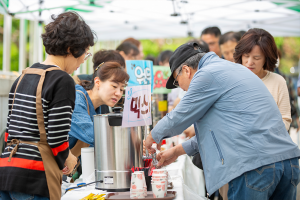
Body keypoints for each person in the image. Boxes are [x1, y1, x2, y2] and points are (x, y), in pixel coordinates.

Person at [145, 42, 300, 200]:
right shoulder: (234, 69)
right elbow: (220, 132)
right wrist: (177, 151)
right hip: (287, 163)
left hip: (255, 167)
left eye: (178, 82)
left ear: (186, 70)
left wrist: (152, 137)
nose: (182, 89)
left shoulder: (207, 74)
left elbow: (179, 115)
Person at [0, 12, 95, 200]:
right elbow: (56, 137)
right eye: (85, 52)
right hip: (35, 175)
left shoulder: (23, 76)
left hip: (7, 170)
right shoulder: (62, 80)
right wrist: (68, 159)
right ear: (71, 48)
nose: (84, 59)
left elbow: (9, 132)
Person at [234, 28, 291, 131]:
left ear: (266, 58)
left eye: (256, 58)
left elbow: (285, 120)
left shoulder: (278, 82)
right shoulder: (231, 80)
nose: (249, 62)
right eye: (246, 56)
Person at [68, 62, 129, 150]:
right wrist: (130, 143)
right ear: (97, 82)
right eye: (114, 86)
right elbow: (94, 136)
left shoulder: (98, 106)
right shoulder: (77, 100)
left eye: (121, 89)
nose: (118, 93)